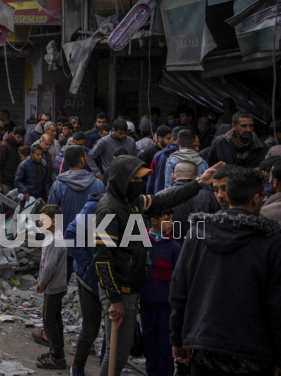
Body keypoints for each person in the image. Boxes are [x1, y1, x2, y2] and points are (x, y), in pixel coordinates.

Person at [92, 156, 220, 376]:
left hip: (130, 288)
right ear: (123, 179)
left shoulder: (132, 202)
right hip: (120, 290)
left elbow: (165, 198)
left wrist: (199, 183)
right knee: (117, 355)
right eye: (136, 179)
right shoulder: (109, 209)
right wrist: (114, 299)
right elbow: (103, 258)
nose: (140, 184)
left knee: (117, 353)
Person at [170, 168, 281, 376]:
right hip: (252, 352)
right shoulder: (270, 240)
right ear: (256, 199)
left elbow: (179, 290)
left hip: (203, 345)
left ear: (228, 194)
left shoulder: (198, 232)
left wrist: (178, 338)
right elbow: (276, 304)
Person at [65, 188, 106, 376]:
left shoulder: (129, 207)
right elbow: (70, 236)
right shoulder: (93, 207)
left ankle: (106, 368)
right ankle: (77, 366)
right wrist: (90, 266)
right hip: (90, 279)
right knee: (91, 328)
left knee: (113, 330)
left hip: (114, 278)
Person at [48, 145, 105, 277]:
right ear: (82, 160)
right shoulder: (98, 185)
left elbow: (50, 218)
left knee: (60, 284)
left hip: (64, 244)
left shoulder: (58, 186)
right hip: (90, 246)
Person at [140, 210, 181, 376]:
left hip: (166, 306)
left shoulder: (174, 247)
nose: (171, 222)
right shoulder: (141, 242)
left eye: (172, 219)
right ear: (153, 221)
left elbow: (179, 278)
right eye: (167, 219)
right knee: (149, 345)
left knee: (165, 347)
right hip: (146, 303)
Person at [35, 204, 68, 370]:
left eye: (43, 220)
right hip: (57, 285)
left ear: (53, 221)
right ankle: (56, 351)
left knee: (49, 321)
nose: (40, 223)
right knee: (55, 319)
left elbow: (49, 267)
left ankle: (57, 357)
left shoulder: (54, 240)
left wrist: (41, 284)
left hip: (53, 287)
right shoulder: (54, 237)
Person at [159, 161, 219, 243]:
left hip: (172, 249)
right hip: (203, 248)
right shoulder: (211, 196)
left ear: (173, 176)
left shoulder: (161, 196)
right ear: (197, 176)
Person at [0, 126, 25, 193]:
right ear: (13, 134)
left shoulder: (19, 145)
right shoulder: (4, 146)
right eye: (18, 137)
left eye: (22, 137)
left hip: (15, 181)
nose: (20, 139)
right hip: (4, 181)